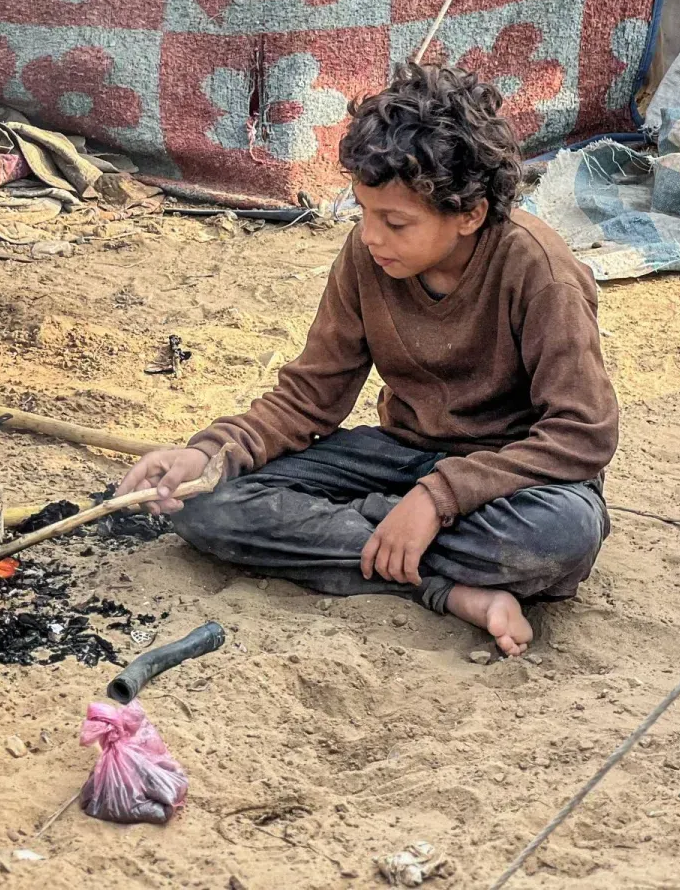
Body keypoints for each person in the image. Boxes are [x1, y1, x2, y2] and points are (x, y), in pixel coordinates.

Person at [115, 63, 618, 655]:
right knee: (208, 506)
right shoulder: (368, 255)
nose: (371, 236)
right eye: (363, 212)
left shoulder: (540, 272)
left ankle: (383, 540)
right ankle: (445, 588)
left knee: (564, 537)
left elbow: (583, 434)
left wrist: (437, 499)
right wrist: (206, 453)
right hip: (397, 456)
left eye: (395, 222)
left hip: (511, 481)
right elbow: (311, 396)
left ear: (469, 214)